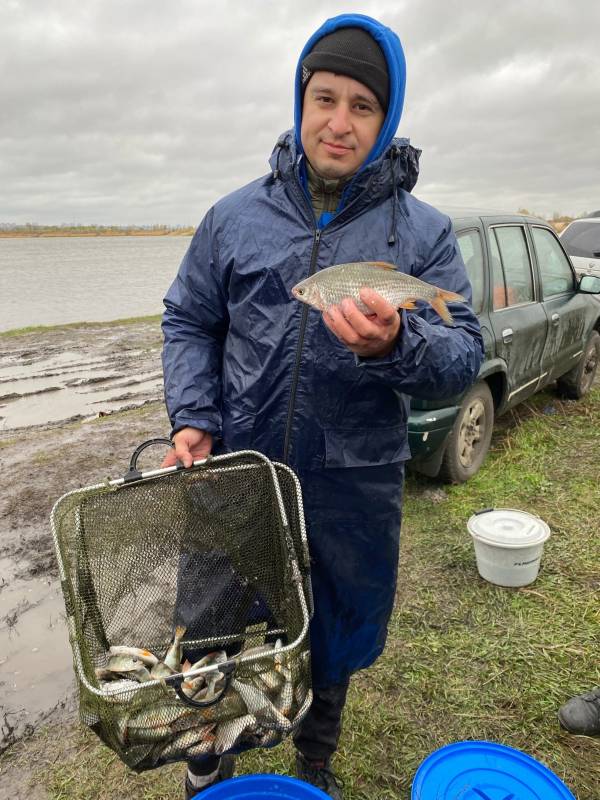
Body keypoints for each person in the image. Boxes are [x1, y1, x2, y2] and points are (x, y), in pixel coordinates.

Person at [161, 12, 483, 799]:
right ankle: (209, 764)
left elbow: (463, 357)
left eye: (362, 106)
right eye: (324, 98)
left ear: (387, 117)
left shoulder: (425, 234)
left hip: (353, 484)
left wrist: (394, 345)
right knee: (208, 633)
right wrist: (193, 414)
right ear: (300, 100)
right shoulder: (233, 217)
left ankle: (315, 759)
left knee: (335, 635)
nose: (338, 123)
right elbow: (188, 319)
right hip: (236, 476)